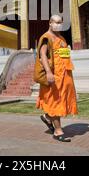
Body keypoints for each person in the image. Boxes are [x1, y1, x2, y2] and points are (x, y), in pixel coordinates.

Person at [36, 14, 78, 142]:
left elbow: (63, 55)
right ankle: (58, 131)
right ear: (50, 23)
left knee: (61, 100)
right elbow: (42, 55)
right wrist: (48, 72)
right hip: (54, 75)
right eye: (56, 22)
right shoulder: (46, 38)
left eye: (60, 22)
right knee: (55, 101)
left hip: (65, 75)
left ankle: (47, 116)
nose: (58, 25)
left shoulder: (61, 38)